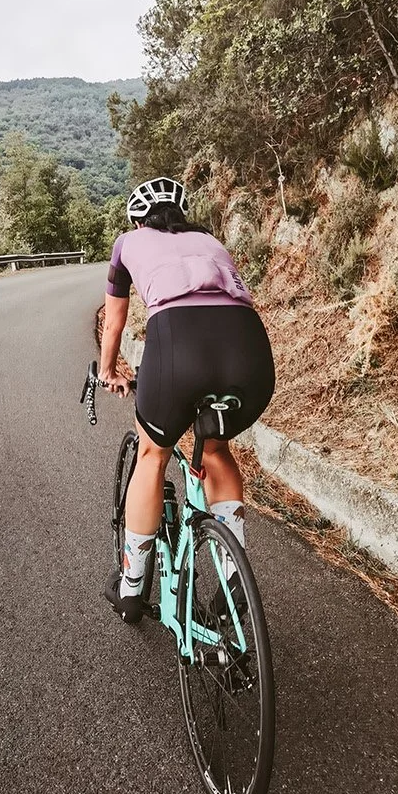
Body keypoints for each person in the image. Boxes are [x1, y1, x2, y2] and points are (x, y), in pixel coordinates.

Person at [99, 176, 275, 622]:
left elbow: (115, 322)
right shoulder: (208, 240)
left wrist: (108, 371)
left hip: (178, 347)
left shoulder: (127, 243)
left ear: (138, 219)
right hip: (249, 353)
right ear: (181, 212)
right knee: (215, 450)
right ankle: (235, 581)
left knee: (153, 455)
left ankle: (132, 588)